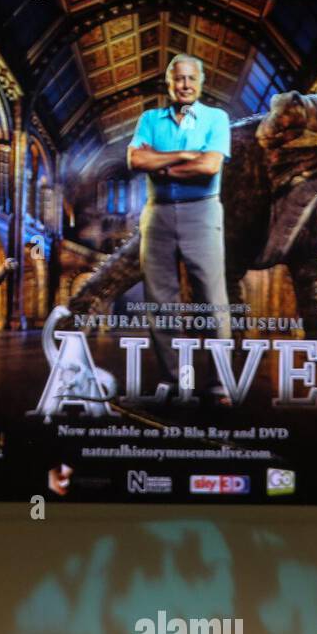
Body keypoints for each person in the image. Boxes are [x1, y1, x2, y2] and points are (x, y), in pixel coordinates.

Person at [127, 54, 232, 405]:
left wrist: (163, 165)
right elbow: (135, 160)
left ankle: (220, 387)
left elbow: (210, 165)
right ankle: (175, 384)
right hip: (156, 215)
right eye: (178, 79)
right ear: (168, 83)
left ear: (201, 82)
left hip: (202, 213)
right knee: (160, 303)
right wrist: (186, 156)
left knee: (213, 302)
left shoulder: (217, 118)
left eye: (191, 79)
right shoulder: (149, 119)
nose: (185, 85)